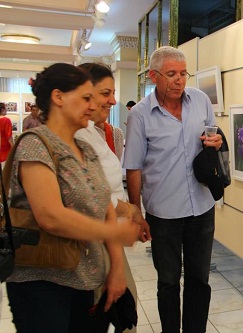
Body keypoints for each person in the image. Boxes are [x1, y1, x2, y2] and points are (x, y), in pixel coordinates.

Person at [6, 63, 140, 333]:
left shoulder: (85, 149)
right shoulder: (35, 144)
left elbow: (105, 208)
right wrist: (112, 231)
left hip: (84, 278)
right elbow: (50, 216)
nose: (93, 106)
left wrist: (116, 269)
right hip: (41, 283)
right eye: (86, 98)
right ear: (58, 98)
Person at [123, 46, 222, 333]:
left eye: (182, 74)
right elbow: (133, 167)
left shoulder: (201, 101)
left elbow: (213, 139)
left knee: (199, 281)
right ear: (154, 76)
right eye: (171, 74)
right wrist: (136, 213)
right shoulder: (140, 115)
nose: (179, 80)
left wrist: (215, 142)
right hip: (163, 213)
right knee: (167, 282)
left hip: (201, 208)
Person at [75, 62, 144, 333]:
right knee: (116, 311)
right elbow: (92, 197)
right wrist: (130, 211)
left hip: (107, 237)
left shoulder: (97, 132)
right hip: (92, 241)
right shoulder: (79, 135)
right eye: (106, 93)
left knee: (124, 308)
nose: (113, 100)